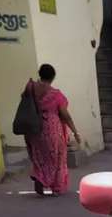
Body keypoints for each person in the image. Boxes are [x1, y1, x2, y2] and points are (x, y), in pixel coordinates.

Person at [24, 63, 81, 196]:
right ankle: (57, 188)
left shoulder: (30, 89)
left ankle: (39, 178)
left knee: (39, 156)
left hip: (33, 128)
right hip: (51, 129)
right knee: (57, 158)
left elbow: (24, 102)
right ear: (53, 77)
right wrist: (75, 131)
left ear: (40, 74)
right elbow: (65, 114)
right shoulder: (56, 95)